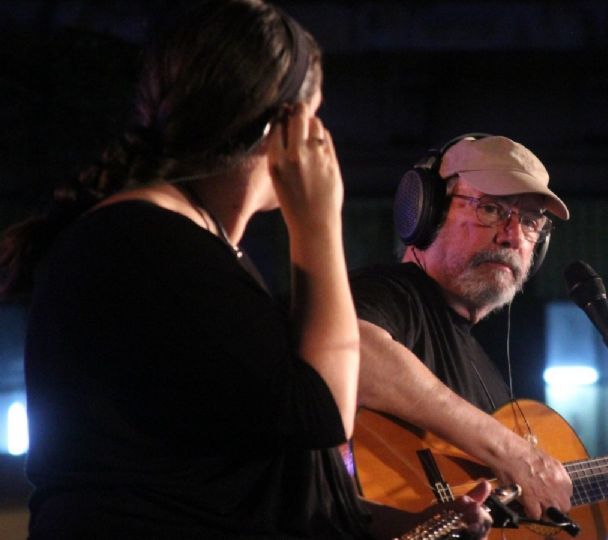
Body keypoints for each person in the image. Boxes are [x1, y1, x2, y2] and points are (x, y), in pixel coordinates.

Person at [0, 1, 490, 538]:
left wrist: (415, 524)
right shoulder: (149, 246)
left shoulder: (187, 246)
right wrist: (318, 222)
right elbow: (323, 411)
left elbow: (264, 476)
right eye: (314, 113)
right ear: (281, 124)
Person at [349, 134, 608, 539]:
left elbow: (562, 527)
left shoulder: (486, 373)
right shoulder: (394, 292)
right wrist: (512, 452)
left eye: (530, 222)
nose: (512, 236)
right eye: (491, 209)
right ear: (426, 211)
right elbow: (351, 354)